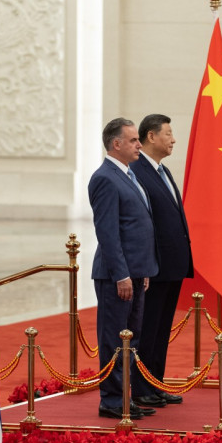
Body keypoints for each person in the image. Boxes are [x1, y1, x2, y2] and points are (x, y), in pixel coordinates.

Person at [89, 117, 159, 420]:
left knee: (132, 339)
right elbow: (107, 233)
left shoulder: (128, 175)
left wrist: (142, 271)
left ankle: (127, 396)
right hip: (116, 276)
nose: (139, 145)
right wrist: (122, 274)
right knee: (115, 340)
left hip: (135, 273)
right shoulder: (105, 178)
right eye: (133, 140)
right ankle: (112, 400)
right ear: (116, 144)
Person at [130, 114, 193, 408]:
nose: (173, 139)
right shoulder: (137, 171)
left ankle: (156, 384)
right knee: (148, 328)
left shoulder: (162, 171)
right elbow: (142, 223)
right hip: (152, 269)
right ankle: (142, 388)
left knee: (161, 329)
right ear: (151, 137)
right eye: (168, 133)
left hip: (171, 266)